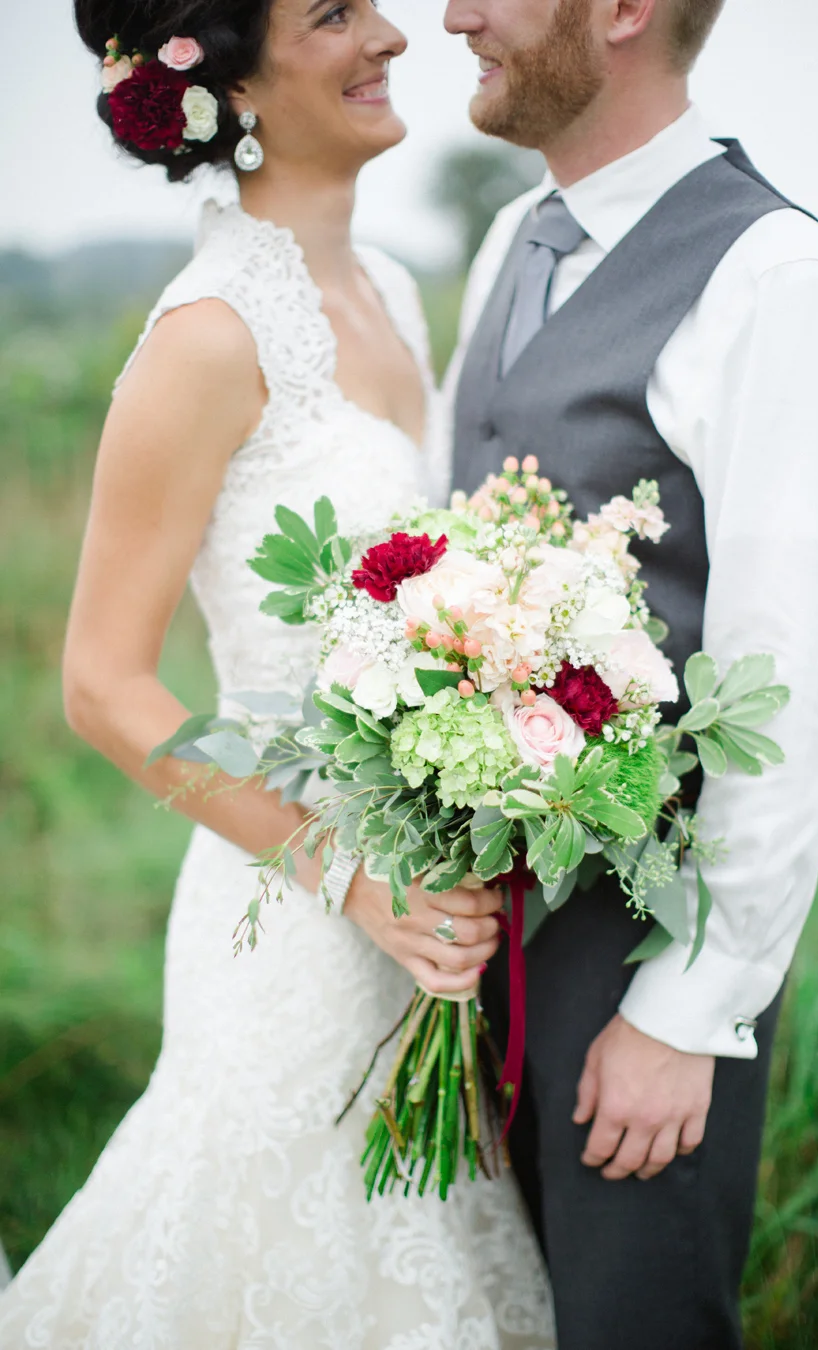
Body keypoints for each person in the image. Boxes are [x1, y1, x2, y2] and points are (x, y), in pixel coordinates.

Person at [0, 2, 556, 1345]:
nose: (393, 36)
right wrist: (352, 877)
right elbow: (102, 684)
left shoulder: (391, 294)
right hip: (295, 917)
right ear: (233, 82)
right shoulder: (208, 335)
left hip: (427, 918)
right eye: (334, 14)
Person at [444, 0, 818, 1346]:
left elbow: (792, 683)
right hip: (484, 934)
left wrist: (689, 1009)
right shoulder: (508, 243)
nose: (455, 14)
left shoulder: (777, 280)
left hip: (643, 954)